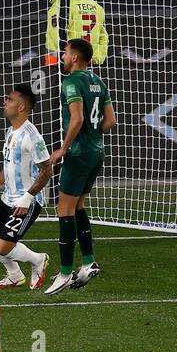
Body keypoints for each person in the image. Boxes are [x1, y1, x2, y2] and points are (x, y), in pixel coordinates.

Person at [44, 37, 115, 296]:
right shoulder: (99, 81)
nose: (62, 56)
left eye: (65, 52)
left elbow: (77, 118)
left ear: (75, 57)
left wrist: (64, 148)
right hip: (97, 152)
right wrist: (92, 136)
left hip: (78, 153)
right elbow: (110, 121)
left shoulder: (71, 82)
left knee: (64, 209)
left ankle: (64, 273)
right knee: (78, 206)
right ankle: (88, 262)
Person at [0, 84, 52, 290]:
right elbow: (9, 165)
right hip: (7, 197)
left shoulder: (32, 137)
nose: (5, 102)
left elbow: (47, 170)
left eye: (9, 99)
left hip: (27, 201)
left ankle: (38, 260)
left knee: (3, 247)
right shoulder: (11, 131)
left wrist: (27, 198)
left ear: (21, 107)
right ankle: (14, 274)